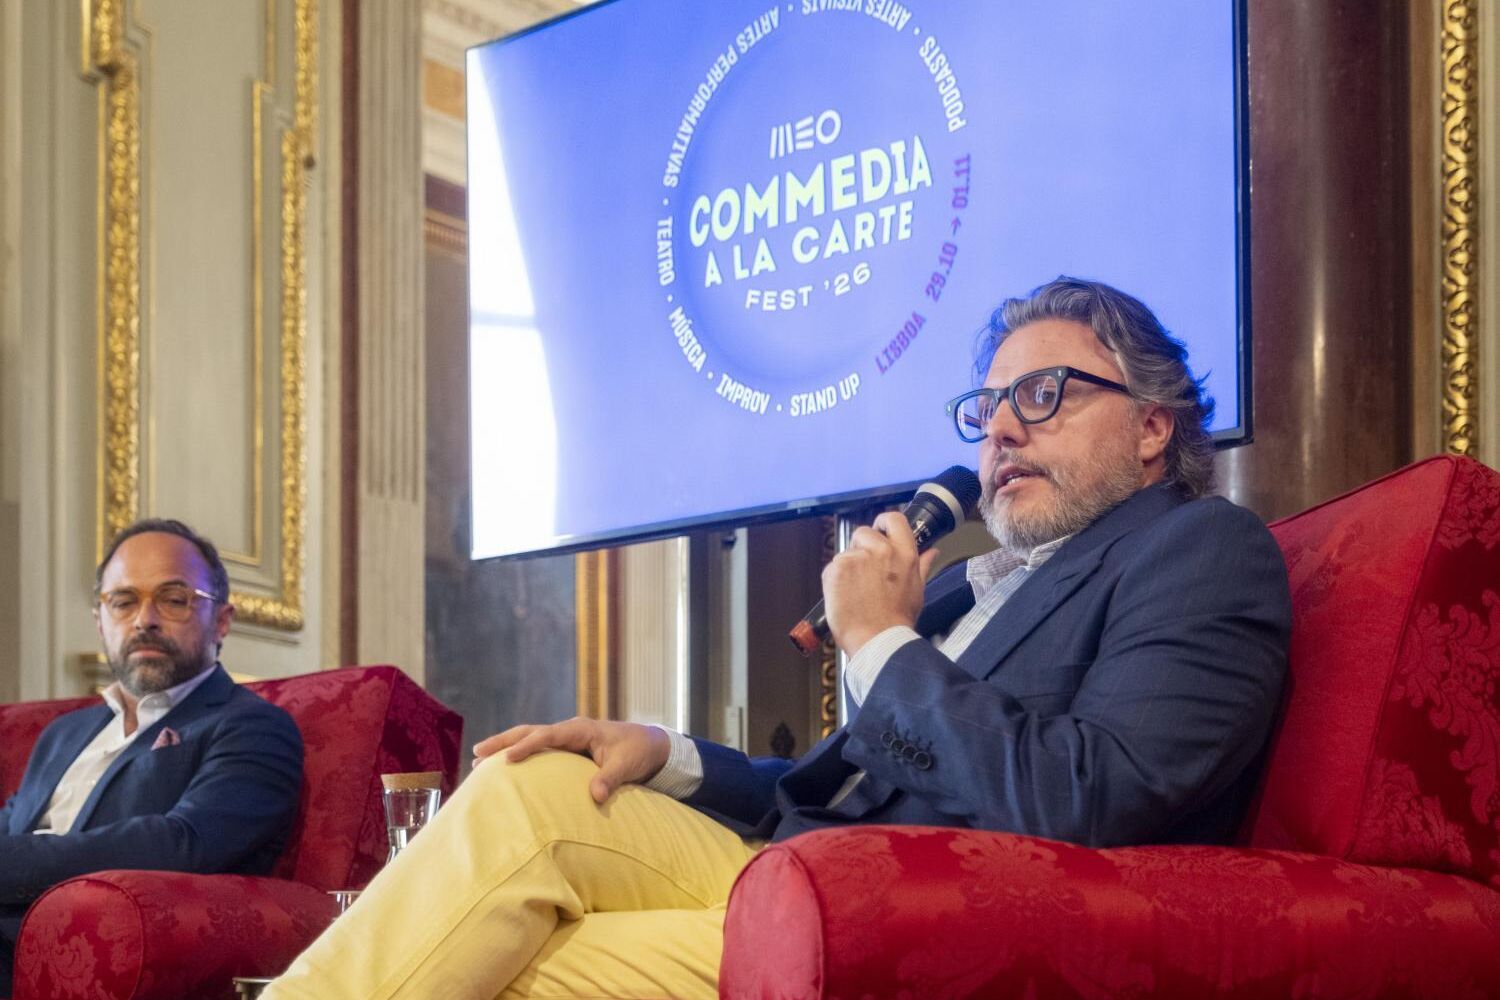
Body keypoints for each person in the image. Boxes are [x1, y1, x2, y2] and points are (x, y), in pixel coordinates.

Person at [266, 277, 1291, 1000]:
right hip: (798, 866)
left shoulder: (1200, 548)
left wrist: (881, 643)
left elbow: (1092, 794)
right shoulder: (958, 595)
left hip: (917, 916)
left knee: (498, 959)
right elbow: (825, 788)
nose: (1001, 432)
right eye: (987, 409)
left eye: (1042, 396)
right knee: (531, 789)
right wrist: (664, 754)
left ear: (1152, 426)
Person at [0, 519, 303, 995]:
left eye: (173, 599)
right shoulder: (64, 734)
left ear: (222, 620)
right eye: (123, 601)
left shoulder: (252, 727)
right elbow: (10, 827)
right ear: (100, 621)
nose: (145, 619)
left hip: (73, 945)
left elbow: (185, 843)